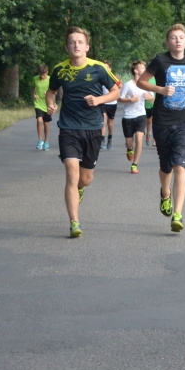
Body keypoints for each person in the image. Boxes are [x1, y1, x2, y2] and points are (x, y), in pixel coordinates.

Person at [45, 27, 120, 238]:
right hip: (69, 128)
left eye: (80, 42)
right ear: (66, 47)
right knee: (71, 172)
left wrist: (99, 100)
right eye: (72, 42)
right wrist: (51, 105)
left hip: (93, 128)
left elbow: (116, 90)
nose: (76, 45)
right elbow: (50, 93)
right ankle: (74, 223)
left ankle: (80, 187)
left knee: (85, 178)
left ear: (87, 47)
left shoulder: (99, 68)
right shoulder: (59, 70)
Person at [136, 24, 185, 233]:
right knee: (166, 166)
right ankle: (165, 193)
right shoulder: (160, 61)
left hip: (184, 121)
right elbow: (141, 82)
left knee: (179, 166)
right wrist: (160, 89)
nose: (177, 41)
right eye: (173, 38)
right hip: (162, 121)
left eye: (181, 37)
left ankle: (178, 214)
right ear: (168, 42)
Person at [118, 60, 154, 174]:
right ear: (136, 70)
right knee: (130, 142)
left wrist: (149, 97)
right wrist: (130, 100)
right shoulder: (128, 85)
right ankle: (129, 149)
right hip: (128, 117)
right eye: (142, 68)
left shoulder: (145, 84)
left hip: (141, 115)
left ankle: (135, 164)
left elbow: (152, 97)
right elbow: (119, 98)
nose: (145, 70)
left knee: (139, 139)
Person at [32, 64, 51, 151]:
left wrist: (48, 93)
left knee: (46, 123)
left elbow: (54, 92)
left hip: (47, 103)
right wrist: (34, 94)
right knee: (39, 120)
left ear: (47, 72)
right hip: (38, 103)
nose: (41, 76)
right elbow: (33, 88)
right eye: (40, 74)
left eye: (43, 74)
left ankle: (46, 141)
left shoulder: (50, 79)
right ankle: (40, 140)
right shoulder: (35, 78)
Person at [100, 59, 117, 150]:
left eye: (107, 67)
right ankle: (102, 140)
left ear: (110, 69)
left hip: (112, 103)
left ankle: (110, 138)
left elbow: (120, 87)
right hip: (103, 102)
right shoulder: (99, 77)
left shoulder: (114, 77)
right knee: (103, 121)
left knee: (110, 122)